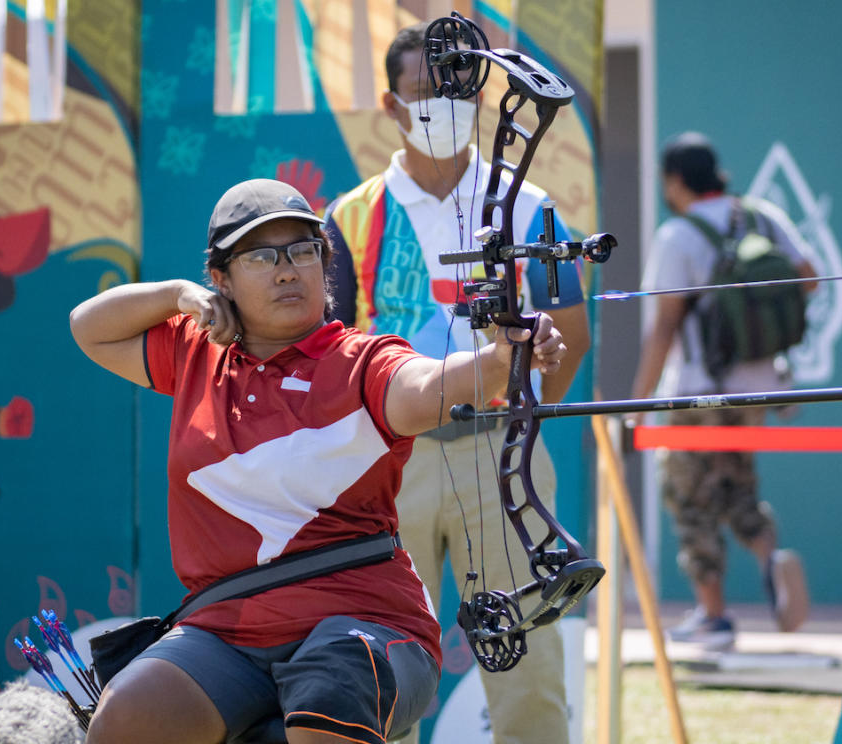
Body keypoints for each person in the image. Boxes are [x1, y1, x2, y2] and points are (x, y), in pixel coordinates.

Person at [68, 178, 567, 744]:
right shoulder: (192, 351)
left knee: (327, 695)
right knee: (128, 715)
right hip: (224, 630)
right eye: (260, 256)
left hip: (365, 621)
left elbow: (426, 385)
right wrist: (178, 296)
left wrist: (500, 359)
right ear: (221, 279)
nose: (287, 270)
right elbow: (88, 327)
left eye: (303, 251)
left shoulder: (361, 359)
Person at [323, 23, 591, 744]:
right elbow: (329, 351)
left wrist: (517, 424)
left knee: (526, 661)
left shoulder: (532, 207)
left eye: (455, 90)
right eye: (422, 93)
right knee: (382, 663)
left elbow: (572, 330)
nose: (442, 105)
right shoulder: (346, 219)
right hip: (387, 463)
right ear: (389, 103)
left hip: (501, 457)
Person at [628, 132, 815, 649]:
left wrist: (639, 403)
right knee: (738, 486)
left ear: (675, 180)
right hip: (758, 388)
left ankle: (713, 617)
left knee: (691, 500)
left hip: (698, 396)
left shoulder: (678, 235)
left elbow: (664, 327)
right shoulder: (761, 216)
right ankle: (769, 555)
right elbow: (810, 277)